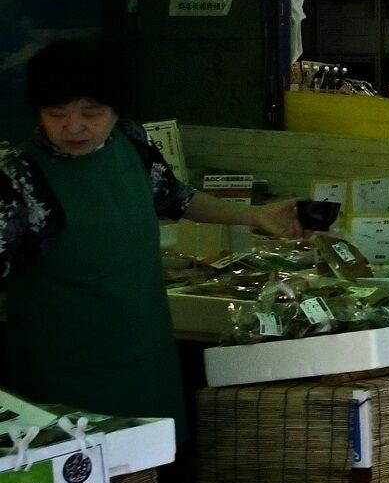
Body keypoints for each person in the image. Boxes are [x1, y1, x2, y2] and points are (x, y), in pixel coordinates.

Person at [0, 39, 303, 429]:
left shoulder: (130, 142)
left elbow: (176, 198)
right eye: (56, 113)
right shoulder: (18, 179)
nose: (73, 127)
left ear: (116, 108)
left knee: (157, 474)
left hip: (146, 358)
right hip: (65, 377)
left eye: (91, 112)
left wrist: (253, 216)